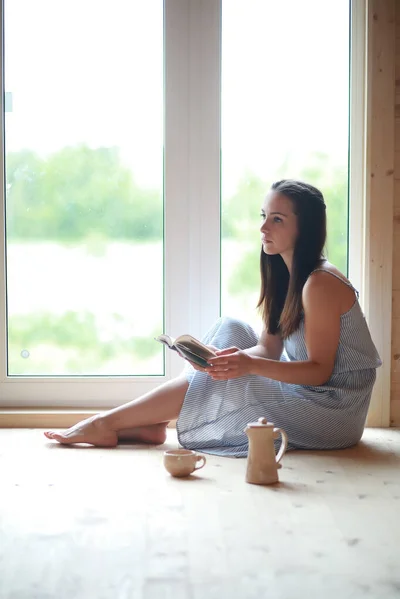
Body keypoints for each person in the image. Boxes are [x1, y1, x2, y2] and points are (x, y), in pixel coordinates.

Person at [44, 179, 382, 455]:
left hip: (334, 411)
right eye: (264, 215)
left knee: (237, 374)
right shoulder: (284, 273)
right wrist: (221, 360)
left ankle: (110, 422)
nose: (263, 226)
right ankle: (144, 422)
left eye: (277, 219)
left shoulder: (319, 283)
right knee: (229, 330)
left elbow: (320, 373)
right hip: (310, 395)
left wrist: (245, 366)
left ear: (304, 229)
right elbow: (268, 349)